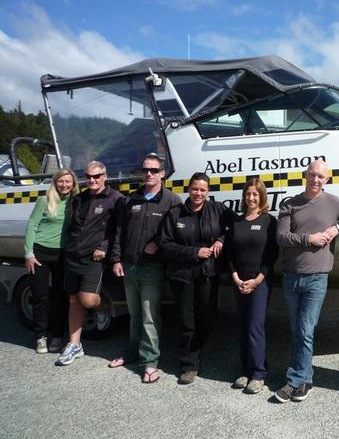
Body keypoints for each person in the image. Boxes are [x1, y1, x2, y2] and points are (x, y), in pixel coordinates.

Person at [275, 159, 339, 403]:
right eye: (312, 175)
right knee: (297, 331)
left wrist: (337, 229)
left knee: (305, 331)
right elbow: (281, 237)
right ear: (305, 175)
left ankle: (294, 380)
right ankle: (307, 379)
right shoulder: (290, 203)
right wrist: (309, 239)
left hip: (317, 278)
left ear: (327, 179)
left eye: (321, 176)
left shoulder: (333, 203)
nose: (316, 180)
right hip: (291, 277)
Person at [108, 153, 181, 383]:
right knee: (135, 314)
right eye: (145, 170)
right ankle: (132, 352)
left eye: (153, 170)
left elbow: (176, 232)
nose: (148, 174)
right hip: (129, 266)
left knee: (149, 316)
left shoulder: (172, 201)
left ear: (162, 173)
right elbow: (119, 232)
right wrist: (117, 259)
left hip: (153, 268)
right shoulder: (130, 200)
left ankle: (149, 362)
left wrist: (157, 243)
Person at [160, 172, 234, 385]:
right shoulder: (175, 213)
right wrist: (194, 253)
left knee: (209, 318)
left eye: (203, 189)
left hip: (208, 274)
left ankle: (195, 347)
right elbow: (165, 245)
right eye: (195, 189)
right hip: (182, 275)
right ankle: (189, 364)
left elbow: (238, 225)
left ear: (208, 191)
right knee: (186, 319)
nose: (198, 193)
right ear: (188, 189)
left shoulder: (217, 209)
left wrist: (221, 238)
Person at [56, 161, 123, 366]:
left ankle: (101, 308)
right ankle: (75, 345)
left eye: (96, 176)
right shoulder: (78, 199)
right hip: (73, 255)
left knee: (88, 300)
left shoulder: (116, 199)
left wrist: (105, 247)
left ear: (105, 176)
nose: (92, 180)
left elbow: (117, 229)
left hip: (94, 258)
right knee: (73, 300)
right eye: (88, 176)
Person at [227, 178, 278, 394]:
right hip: (239, 282)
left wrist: (258, 279)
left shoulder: (269, 221)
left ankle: (258, 374)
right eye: (248, 194)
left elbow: (272, 254)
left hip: (260, 283)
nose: (251, 198)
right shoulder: (237, 222)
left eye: (255, 194)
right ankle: (245, 371)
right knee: (242, 326)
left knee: (255, 326)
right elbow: (229, 254)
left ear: (262, 196)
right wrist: (236, 277)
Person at [25, 168, 79, 354]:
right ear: (55, 183)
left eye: (68, 182)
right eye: (60, 181)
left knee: (59, 296)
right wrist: (29, 254)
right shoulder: (44, 201)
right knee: (40, 296)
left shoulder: (75, 202)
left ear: (73, 184)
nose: (64, 185)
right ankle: (40, 336)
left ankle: (57, 336)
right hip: (40, 252)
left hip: (63, 254)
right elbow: (32, 225)